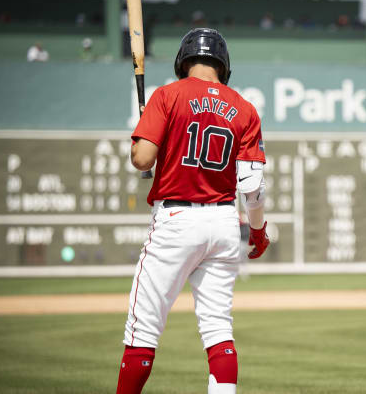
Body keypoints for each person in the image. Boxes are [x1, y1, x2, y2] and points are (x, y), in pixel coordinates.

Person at [116, 28, 270, 394]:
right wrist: (259, 230)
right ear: (223, 65)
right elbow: (252, 185)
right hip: (223, 223)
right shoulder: (245, 108)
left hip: (177, 220)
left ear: (184, 60)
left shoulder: (167, 95)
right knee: (218, 329)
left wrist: (142, 135)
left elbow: (142, 160)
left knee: (143, 328)